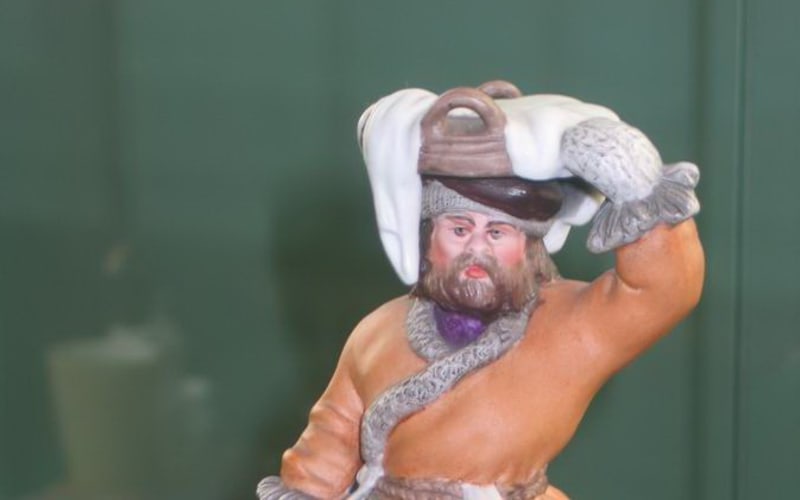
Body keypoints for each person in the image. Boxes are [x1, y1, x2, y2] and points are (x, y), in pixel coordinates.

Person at [257, 81, 704, 499]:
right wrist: (308, 487)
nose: (476, 249)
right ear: (429, 237)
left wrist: (639, 189)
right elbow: (334, 430)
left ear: (528, 245)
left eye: (497, 233)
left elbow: (661, 291)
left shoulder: (570, 326)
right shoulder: (379, 331)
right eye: (459, 229)